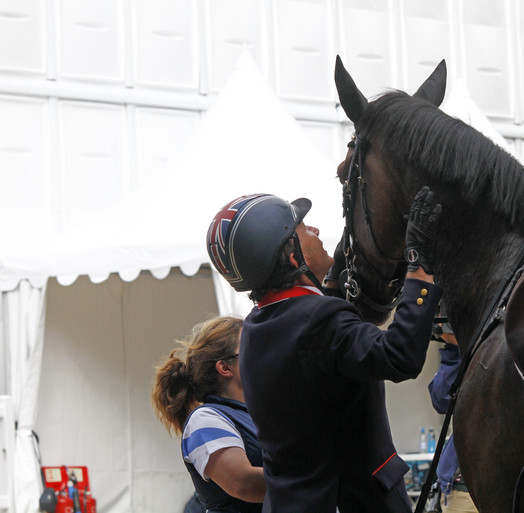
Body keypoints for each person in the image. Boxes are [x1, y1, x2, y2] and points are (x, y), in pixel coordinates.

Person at [205, 188, 443, 513]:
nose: (315, 231)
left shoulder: (256, 328)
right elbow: (400, 355)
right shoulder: (319, 321)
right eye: (303, 229)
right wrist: (420, 268)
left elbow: (321, 370)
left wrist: (330, 286)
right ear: (292, 256)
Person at [151, 315, 266, 513]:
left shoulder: (261, 414)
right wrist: (317, 477)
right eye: (251, 347)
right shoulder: (204, 420)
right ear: (225, 367)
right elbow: (242, 483)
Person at [428, 320, 479, 513]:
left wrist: (455, 348)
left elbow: (443, 398)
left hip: (470, 487)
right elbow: (442, 399)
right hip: (460, 486)